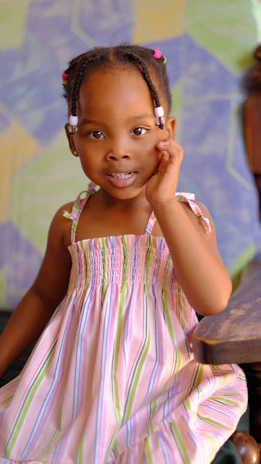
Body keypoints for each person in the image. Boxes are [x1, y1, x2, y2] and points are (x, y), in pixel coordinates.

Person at [0, 45, 247, 463]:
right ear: (72, 139)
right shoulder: (71, 221)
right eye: (96, 133)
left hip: (162, 383)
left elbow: (214, 301)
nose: (118, 150)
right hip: (77, 388)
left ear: (166, 133)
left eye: (138, 131)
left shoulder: (183, 214)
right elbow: (43, 296)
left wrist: (164, 203)